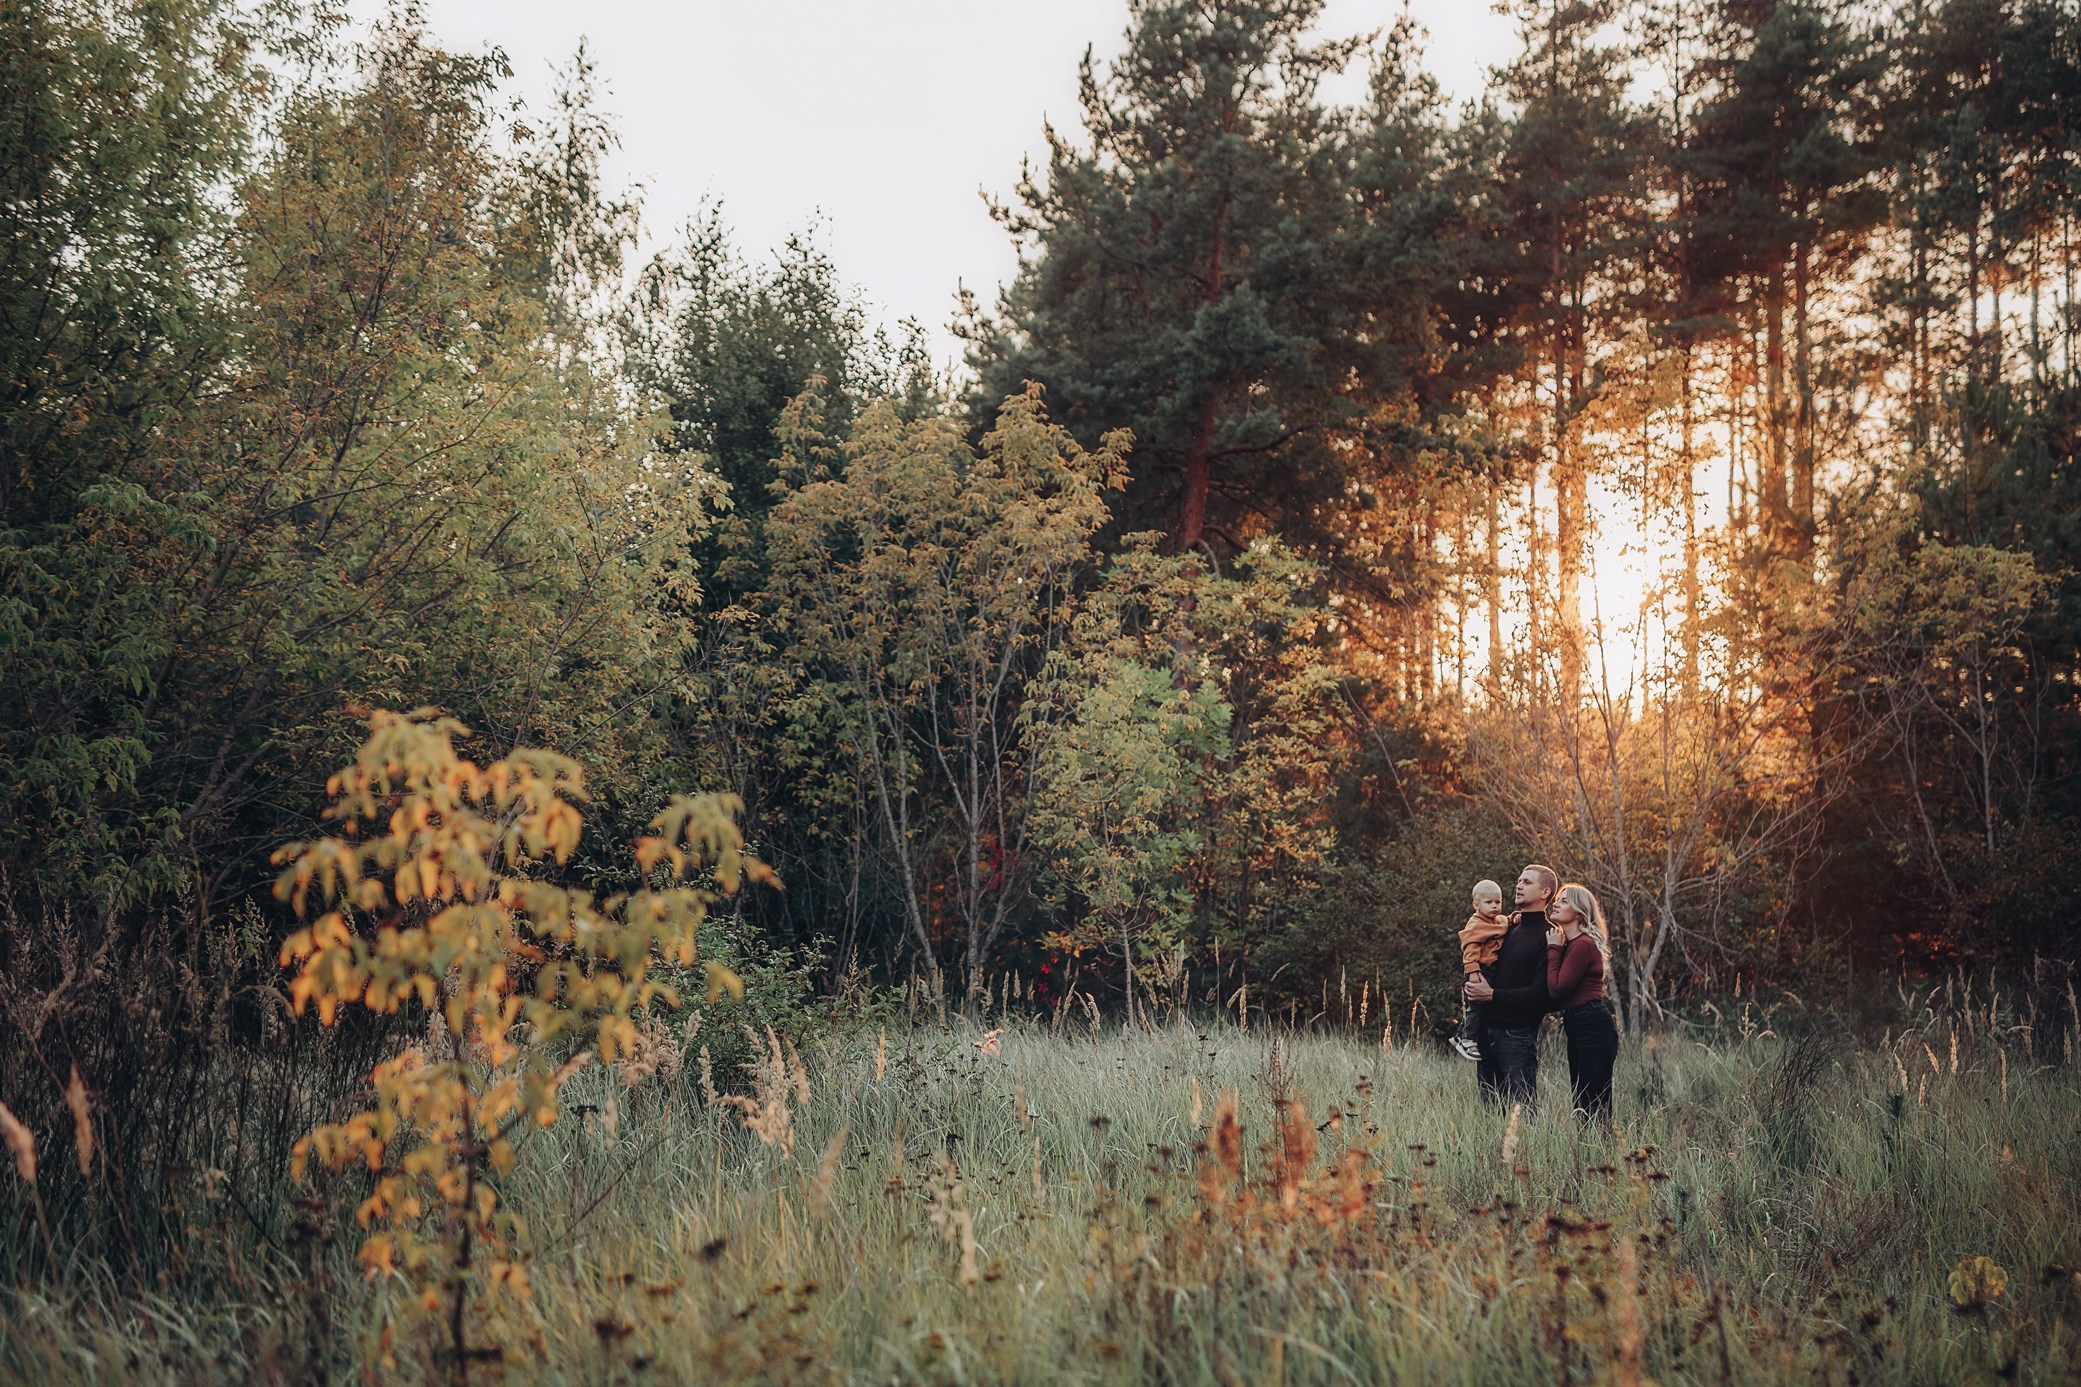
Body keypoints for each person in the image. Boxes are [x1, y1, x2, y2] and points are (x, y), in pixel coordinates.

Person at [1463, 864, 1556, 1109]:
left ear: (1545, 892)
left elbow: (1542, 994)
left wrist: (1491, 995)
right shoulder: (1507, 927)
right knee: (1490, 1111)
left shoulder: (1548, 935)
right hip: (1486, 1032)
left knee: (1523, 1111)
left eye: (1526, 882)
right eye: (1518, 880)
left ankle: (1526, 1149)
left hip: (1517, 1035)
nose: (1518, 885)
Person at [1547, 882, 1620, 1125]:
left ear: (1578, 911)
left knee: (1594, 1106)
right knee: (1582, 1105)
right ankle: (1589, 1157)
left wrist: (1553, 951)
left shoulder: (1582, 944)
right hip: (1579, 1024)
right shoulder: (1571, 944)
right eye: (1557, 898)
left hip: (1592, 1026)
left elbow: (1558, 989)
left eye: (1564, 900)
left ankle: (1602, 1158)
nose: (1556, 903)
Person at [1450, 879, 1508, 1061]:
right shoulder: (1476, 924)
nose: (1494, 906)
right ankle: (1467, 1039)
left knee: (1482, 1007)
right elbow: (1469, 950)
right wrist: (1473, 972)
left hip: (1489, 969)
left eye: (1498, 902)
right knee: (1476, 1006)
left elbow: (1506, 923)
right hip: (1478, 969)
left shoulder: (1497, 920)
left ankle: (1460, 1035)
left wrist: (1515, 918)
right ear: (1476, 905)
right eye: (1489, 902)